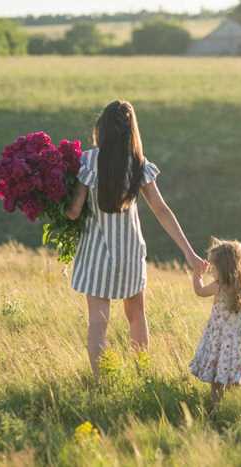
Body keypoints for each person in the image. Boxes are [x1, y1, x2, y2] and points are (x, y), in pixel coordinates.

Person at [66, 100, 206, 377]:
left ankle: (101, 381)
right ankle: (141, 373)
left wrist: (60, 201)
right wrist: (190, 253)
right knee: (136, 316)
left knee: (98, 321)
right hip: (130, 253)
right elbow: (162, 210)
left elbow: (72, 213)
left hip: (96, 254)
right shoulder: (139, 165)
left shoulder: (88, 161)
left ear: (102, 128)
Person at [189, 238, 241, 405]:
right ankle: (231, 406)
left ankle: (215, 408)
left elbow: (200, 291)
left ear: (223, 268)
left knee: (216, 381)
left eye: (213, 267)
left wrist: (197, 274)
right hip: (237, 344)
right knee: (233, 378)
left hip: (218, 341)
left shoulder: (219, 286)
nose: (211, 271)